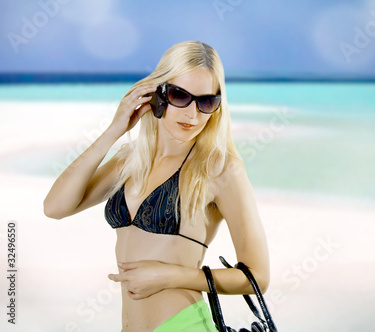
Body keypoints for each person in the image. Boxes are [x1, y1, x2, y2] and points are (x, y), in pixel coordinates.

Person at [43, 40, 270, 332]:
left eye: (206, 102)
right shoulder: (129, 160)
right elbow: (55, 207)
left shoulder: (220, 169)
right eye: (180, 96)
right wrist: (114, 130)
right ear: (158, 94)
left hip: (184, 325)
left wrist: (172, 276)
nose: (192, 115)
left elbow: (257, 277)